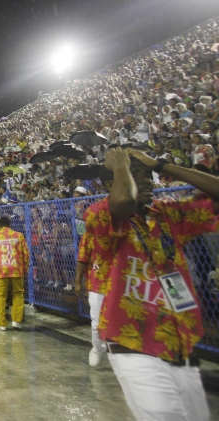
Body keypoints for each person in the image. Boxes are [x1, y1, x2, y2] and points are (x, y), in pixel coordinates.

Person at [95, 148, 219, 421]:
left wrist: (163, 165)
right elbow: (125, 199)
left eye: (148, 176)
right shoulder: (102, 215)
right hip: (133, 347)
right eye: (138, 176)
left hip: (179, 345)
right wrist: (119, 166)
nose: (150, 181)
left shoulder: (167, 216)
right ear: (111, 183)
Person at [74, 188, 112, 368]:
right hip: (97, 283)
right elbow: (83, 259)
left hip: (120, 283)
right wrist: (77, 281)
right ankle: (97, 348)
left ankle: (116, 353)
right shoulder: (89, 236)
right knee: (96, 321)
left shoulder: (125, 231)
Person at [0, 216, 29, 331]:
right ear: (10, 224)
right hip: (16, 268)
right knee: (18, 293)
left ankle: (2, 322)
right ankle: (16, 320)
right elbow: (25, 254)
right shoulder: (19, 236)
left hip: (1, 269)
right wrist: (24, 268)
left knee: (0, 295)